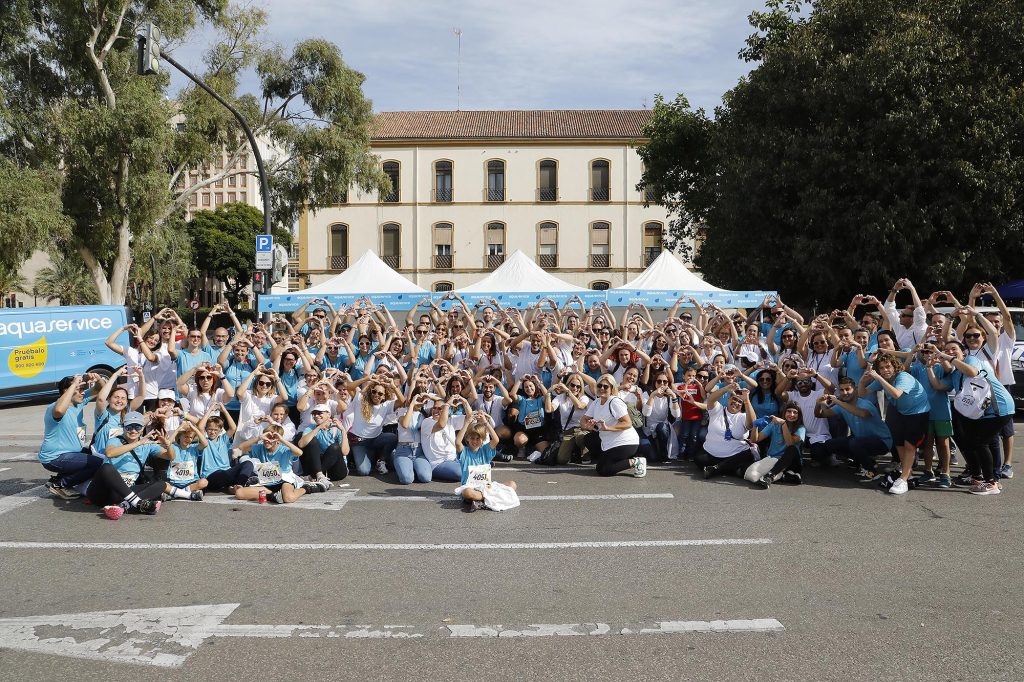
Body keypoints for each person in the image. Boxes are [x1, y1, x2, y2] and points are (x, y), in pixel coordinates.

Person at [933, 340, 1014, 495]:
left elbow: (972, 372)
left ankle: (991, 483)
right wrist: (929, 367)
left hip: (999, 407)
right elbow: (939, 386)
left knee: (981, 442)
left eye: (953, 349)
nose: (950, 352)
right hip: (982, 411)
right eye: (947, 350)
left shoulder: (971, 359)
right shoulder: (956, 373)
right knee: (969, 441)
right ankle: (976, 476)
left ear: (963, 352)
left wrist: (945, 356)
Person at [859, 352, 930, 495]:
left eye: (888, 367)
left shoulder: (903, 376)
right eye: (882, 368)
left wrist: (878, 377)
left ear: (894, 366)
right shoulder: (882, 379)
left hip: (918, 412)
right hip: (901, 411)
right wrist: (862, 381)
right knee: (898, 443)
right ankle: (906, 473)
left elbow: (896, 394)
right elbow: (862, 393)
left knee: (910, 445)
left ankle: (903, 479)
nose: (885, 370)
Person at [89, 411, 171, 519]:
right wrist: (138, 443)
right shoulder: (115, 440)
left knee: (161, 485)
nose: (133, 431)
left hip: (122, 494)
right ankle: (137, 503)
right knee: (106, 468)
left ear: (142, 428)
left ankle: (123, 506)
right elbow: (110, 453)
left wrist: (168, 445)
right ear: (123, 427)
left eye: (137, 427)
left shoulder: (147, 443)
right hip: (103, 491)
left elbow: (169, 456)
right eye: (129, 427)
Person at [815, 377, 893, 482]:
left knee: (854, 442)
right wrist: (818, 404)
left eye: (848, 389)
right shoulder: (842, 406)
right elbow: (820, 415)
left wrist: (838, 402)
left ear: (855, 389)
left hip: (882, 442)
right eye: (842, 390)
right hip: (860, 440)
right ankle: (864, 461)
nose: (845, 392)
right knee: (830, 445)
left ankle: (871, 471)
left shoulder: (865, 403)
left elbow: (861, 413)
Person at [39, 373, 104, 499]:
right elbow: (59, 411)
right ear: (66, 391)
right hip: (55, 457)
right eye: (79, 389)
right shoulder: (55, 407)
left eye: (83, 389)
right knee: (98, 463)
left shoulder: (78, 403)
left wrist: (98, 379)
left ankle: (58, 478)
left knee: (98, 455)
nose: (83, 392)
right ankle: (60, 484)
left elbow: (100, 389)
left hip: (71, 453)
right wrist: (74, 384)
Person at [579, 374, 645, 478]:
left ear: (612, 389)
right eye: (599, 385)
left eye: (606, 386)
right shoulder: (596, 402)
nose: (602, 388)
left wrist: (608, 428)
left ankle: (636, 461)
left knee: (603, 470)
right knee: (588, 438)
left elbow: (627, 423)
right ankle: (609, 459)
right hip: (608, 441)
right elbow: (583, 419)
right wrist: (588, 426)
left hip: (626, 442)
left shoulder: (614, 402)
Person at [233, 423, 318, 504]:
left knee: (288, 498)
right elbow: (241, 447)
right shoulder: (259, 448)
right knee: (239, 493)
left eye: (271, 438)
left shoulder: (284, 449)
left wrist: (282, 440)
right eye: (266, 437)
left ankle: (306, 488)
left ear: (277, 440)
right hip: (267, 481)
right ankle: (272, 496)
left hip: (285, 479)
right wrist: (259, 438)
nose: (267, 440)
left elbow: (299, 453)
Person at [454, 410, 519, 512]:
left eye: (478, 438)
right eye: (472, 438)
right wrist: (466, 423)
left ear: (483, 439)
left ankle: (481, 501)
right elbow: (458, 442)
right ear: (467, 439)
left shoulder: (485, 450)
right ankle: (487, 499)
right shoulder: (465, 452)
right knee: (467, 493)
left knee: (512, 484)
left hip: (486, 486)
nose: (475, 441)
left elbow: (496, 440)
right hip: (471, 487)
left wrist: (485, 423)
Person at [751, 402, 808, 488]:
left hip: (792, 463)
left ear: (799, 415)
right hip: (773, 460)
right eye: (789, 411)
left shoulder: (801, 428)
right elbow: (755, 439)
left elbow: (790, 443)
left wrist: (783, 424)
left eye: (795, 412)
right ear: (784, 412)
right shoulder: (774, 425)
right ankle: (789, 476)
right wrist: (755, 426)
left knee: (792, 448)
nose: (791, 414)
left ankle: (770, 476)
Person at [297, 405, 350, 488]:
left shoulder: (337, 428)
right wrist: (318, 428)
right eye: (314, 414)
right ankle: (319, 475)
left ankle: (314, 476)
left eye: (319, 413)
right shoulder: (311, 427)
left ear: (328, 414)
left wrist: (343, 430)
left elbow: (345, 452)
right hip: (316, 466)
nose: (316, 416)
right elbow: (301, 444)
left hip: (336, 470)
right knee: (312, 440)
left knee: (335, 447)